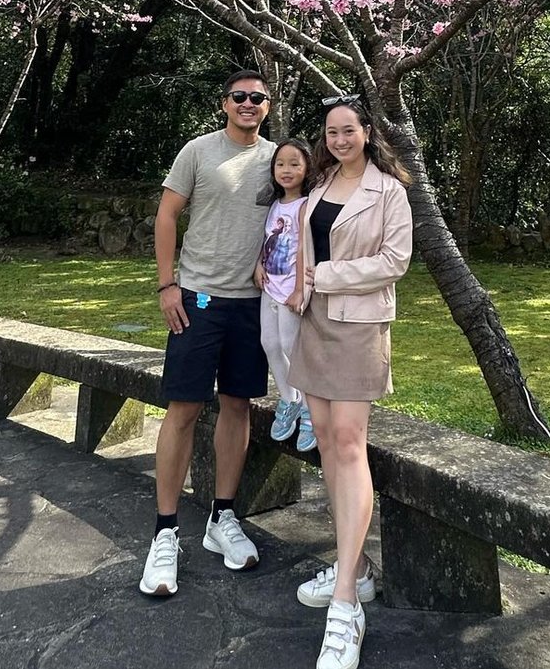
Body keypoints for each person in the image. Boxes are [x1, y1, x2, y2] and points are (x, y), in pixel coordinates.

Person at [139, 70, 275, 598]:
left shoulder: (279, 158)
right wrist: (167, 284)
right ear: (225, 103)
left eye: (257, 98)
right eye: (239, 97)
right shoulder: (197, 151)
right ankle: (166, 530)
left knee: (238, 405)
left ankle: (223, 517)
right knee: (185, 408)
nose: (247, 104)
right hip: (196, 298)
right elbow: (167, 217)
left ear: (267, 106)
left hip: (252, 304)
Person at [289, 95, 413, 669]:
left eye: (349, 130)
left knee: (346, 442)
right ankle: (355, 568)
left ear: (368, 132)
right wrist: (288, 278)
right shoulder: (317, 185)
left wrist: (329, 276)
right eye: (331, 132)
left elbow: (396, 260)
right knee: (322, 436)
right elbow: (302, 248)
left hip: (360, 325)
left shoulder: (389, 190)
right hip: (312, 322)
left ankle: (345, 605)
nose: (339, 139)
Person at [253, 138, 318, 453]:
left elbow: (307, 248)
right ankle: (289, 399)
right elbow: (267, 241)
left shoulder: (306, 205)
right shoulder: (274, 204)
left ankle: (310, 409)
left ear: (307, 168)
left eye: (295, 163)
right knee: (270, 343)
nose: (287, 170)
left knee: (293, 348)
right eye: (281, 164)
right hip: (269, 286)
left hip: (291, 291)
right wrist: (257, 267)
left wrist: (300, 289)